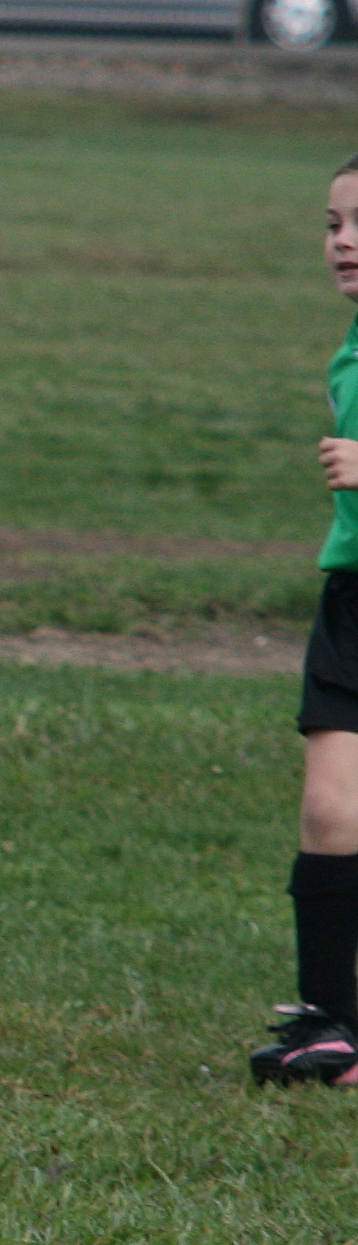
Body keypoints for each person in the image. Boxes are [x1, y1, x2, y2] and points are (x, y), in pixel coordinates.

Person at [248, 156, 358, 1085]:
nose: (344, 243)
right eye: (332, 225)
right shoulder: (349, 349)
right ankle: (331, 1020)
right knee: (329, 809)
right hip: (352, 602)